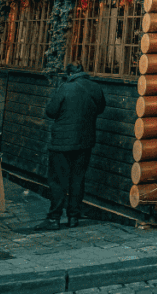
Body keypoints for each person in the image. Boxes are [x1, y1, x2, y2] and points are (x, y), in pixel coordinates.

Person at [42, 61, 106, 228]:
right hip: (85, 141)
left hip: (62, 144)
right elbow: (100, 109)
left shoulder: (65, 88)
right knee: (78, 180)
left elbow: (51, 111)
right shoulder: (95, 88)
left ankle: (54, 218)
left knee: (57, 181)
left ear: (69, 73)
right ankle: (73, 218)